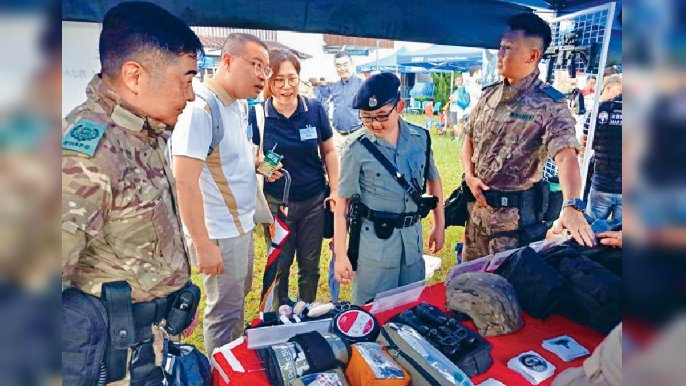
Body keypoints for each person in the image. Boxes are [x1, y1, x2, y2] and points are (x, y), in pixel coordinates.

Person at [62, 2, 201, 384]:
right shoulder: (88, 154)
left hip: (147, 347)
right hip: (110, 363)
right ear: (135, 76)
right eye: (185, 79)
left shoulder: (142, 132)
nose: (190, 95)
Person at [170, 33, 282, 355]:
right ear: (228, 61)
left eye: (267, 68)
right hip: (219, 232)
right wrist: (203, 245)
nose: (264, 75)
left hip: (242, 226)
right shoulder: (200, 109)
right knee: (224, 314)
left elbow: (229, 160)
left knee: (236, 300)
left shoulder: (238, 106)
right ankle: (222, 371)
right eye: (256, 65)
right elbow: (184, 182)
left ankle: (232, 359)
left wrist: (258, 166)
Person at [461, 12, 595, 262]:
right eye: (500, 47)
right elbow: (468, 139)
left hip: (512, 227)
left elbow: (566, 156)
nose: (500, 54)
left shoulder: (549, 104)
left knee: (507, 294)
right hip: (476, 216)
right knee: (468, 284)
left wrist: (572, 205)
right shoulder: (489, 94)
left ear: (532, 56)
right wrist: (469, 176)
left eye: (508, 48)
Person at [333, 73, 445, 305]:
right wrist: (341, 255)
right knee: (371, 311)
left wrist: (439, 225)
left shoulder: (420, 138)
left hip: (412, 243)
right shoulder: (356, 148)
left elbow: (434, 181)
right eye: (367, 118)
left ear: (400, 106)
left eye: (382, 115)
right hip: (375, 247)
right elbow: (342, 205)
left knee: (412, 306)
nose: (375, 124)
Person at [249, 49, 339, 306]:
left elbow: (329, 151)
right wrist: (263, 167)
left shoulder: (315, 110)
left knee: (310, 264)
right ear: (269, 81)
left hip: (313, 200)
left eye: (292, 78)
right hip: (277, 203)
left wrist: (334, 190)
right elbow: (252, 159)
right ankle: (279, 312)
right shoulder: (259, 115)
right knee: (280, 263)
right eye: (279, 80)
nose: (287, 86)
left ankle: (305, 310)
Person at [585, 75, 622, 221]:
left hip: (601, 183)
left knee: (591, 233)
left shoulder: (596, 111)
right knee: (619, 235)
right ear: (608, 87)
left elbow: (586, 143)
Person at [330, 52, 364, 155]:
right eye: (338, 65)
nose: (342, 68)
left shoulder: (362, 84)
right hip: (337, 135)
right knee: (338, 168)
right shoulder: (334, 86)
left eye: (345, 64)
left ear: (351, 64)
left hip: (356, 134)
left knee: (354, 168)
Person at [448, 76, 470, 140]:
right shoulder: (461, 90)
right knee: (459, 123)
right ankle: (458, 137)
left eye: (456, 80)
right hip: (459, 109)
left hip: (455, 109)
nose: (455, 81)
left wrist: (452, 98)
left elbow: (455, 99)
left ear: (460, 81)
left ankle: (457, 137)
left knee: (455, 124)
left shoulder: (459, 90)